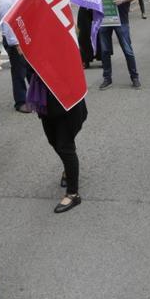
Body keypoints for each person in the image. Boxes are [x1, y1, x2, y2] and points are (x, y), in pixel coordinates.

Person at [25, 68, 89, 213]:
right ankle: (68, 168)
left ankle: (73, 193)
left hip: (66, 96)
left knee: (65, 146)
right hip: (45, 96)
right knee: (53, 140)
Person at [99, 0, 141, 90]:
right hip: (105, 19)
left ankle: (135, 77)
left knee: (127, 50)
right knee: (105, 50)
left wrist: (122, 0)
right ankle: (107, 78)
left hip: (121, 19)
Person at [0, 0, 31, 112]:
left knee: (30, 70)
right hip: (16, 42)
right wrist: (17, 45)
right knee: (18, 72)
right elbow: (8, 25)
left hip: (23, 38)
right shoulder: (6, 1)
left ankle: (34, 97)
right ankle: (20, 102)